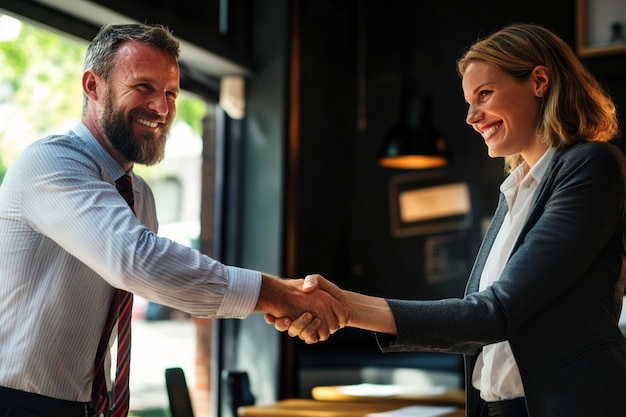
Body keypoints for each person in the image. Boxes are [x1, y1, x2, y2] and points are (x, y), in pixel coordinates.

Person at [270, 23, 626, 417]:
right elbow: (478, 326)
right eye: (468, 102)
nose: (472, 117)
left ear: (539, 80)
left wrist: (346, 306)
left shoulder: (591, 166)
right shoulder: (515, 192)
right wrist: (341, 304)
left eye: (484, 95)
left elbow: (493, 314)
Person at [0, 23, 346, 417]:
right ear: (93, 86)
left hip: (86, 406)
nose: (162, 108)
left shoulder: (140, 196)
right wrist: (274, 294)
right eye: (143, 87)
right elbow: (137, 262)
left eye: (170, 93)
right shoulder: (50, 162)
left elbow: (158, 280)